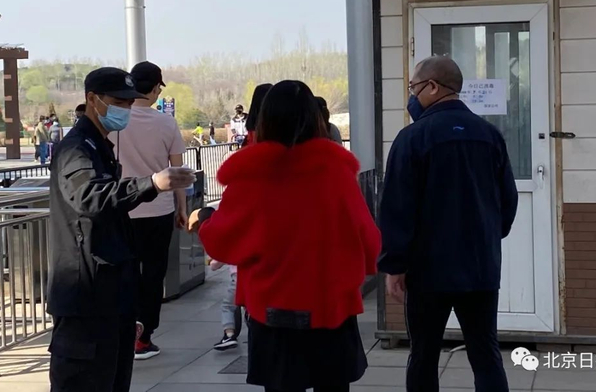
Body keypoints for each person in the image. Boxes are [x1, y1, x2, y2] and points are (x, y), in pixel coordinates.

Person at [188, 80, 381, 392]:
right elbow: (368, 238)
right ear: (316, 119)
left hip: (274, 311)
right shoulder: (337, 173)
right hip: (332, 307)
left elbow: (223, 241)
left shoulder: (252, 175)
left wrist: (203, 222)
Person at [47, 67, 196, 392]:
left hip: (111, 293)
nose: (125, 110)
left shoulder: (101, 144)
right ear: (92, 99)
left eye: (129, 103)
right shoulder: (76, 148)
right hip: (85, 294)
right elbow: (90, 196)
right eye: (118, 103)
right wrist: (151, 183)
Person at [377, 56, 518, 392]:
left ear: (432, 87)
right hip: (480, 267)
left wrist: (394, 265)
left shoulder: (411, 138)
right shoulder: (490, 135)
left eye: (413, 87)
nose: (411, 95)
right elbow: (508, 202)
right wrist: (486, 237)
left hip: (427, 271)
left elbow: (396, 208)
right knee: (486, 355)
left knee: (423, 355)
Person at [113, 61, 188, 360]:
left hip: (121, 208)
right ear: (156, 88)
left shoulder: (116, 120)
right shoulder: (166, 123)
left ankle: (123, 331)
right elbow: (177, 172)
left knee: (124, 272)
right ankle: (143, 338)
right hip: (158, 209)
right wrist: (182, 208)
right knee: (153, 274)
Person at [209, 82, 272, 352]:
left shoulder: (249, 147)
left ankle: (234, 334)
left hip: (253, 250)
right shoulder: (324, 166)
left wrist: (208, 226)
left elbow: (234, 211)